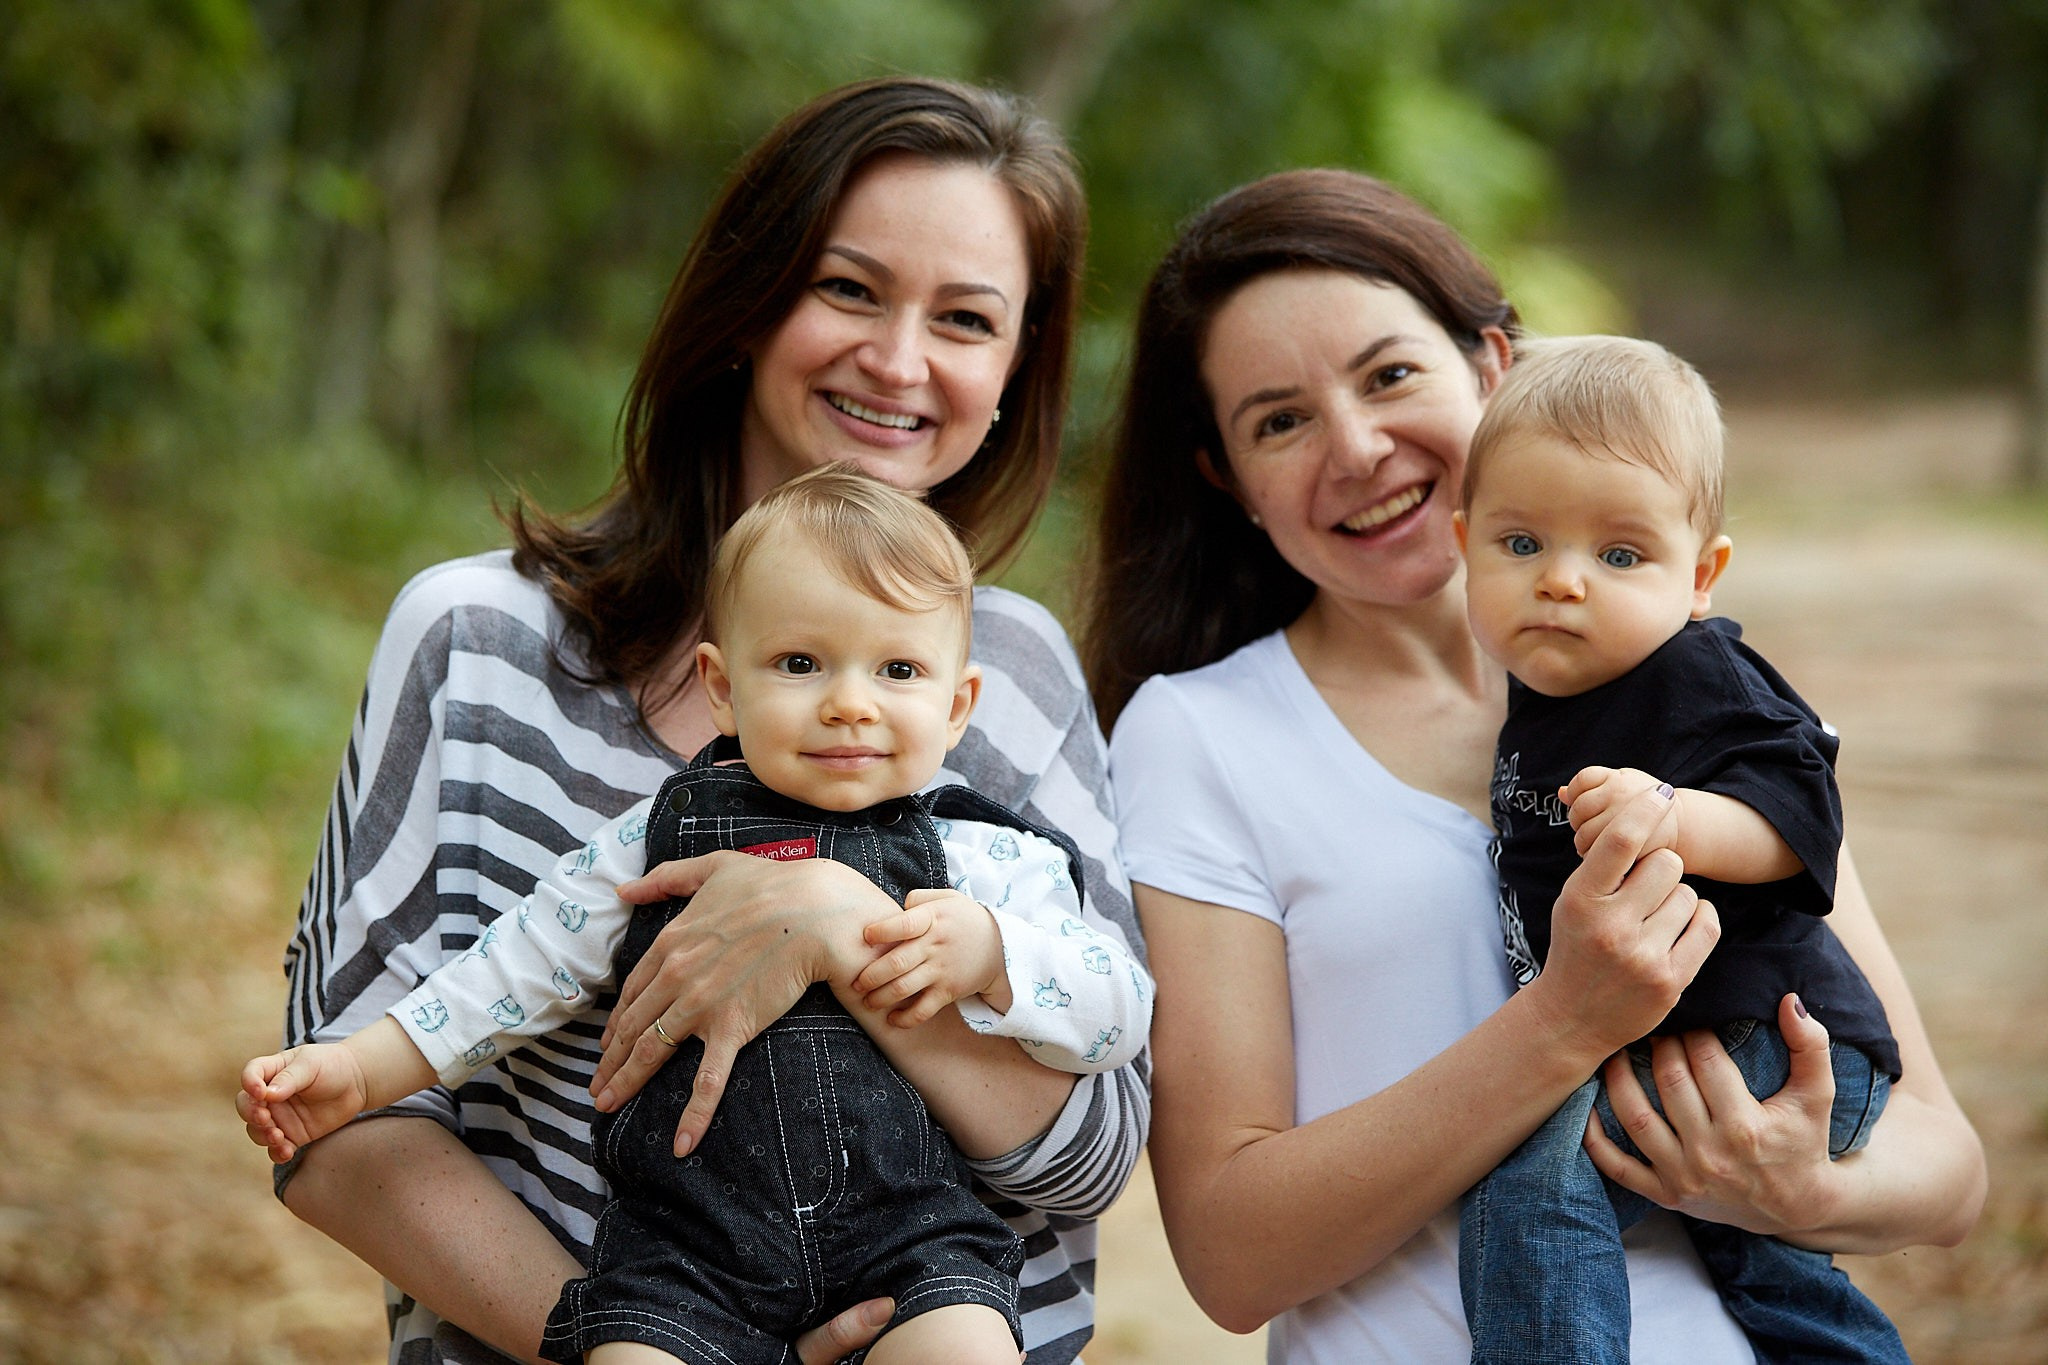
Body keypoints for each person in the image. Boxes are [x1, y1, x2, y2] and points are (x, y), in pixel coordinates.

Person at [250, 77, 1148, 1365]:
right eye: (847, 289)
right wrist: (630, 1340)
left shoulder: (1011, 672)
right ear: (746, 300)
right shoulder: (476, 643)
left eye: (965, 320)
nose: (899, 360)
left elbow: (1097, 1153)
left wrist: (841, 930)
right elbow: (333, 1117)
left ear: (1012, 371)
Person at [1085, 168, 1985, 1363]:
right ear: (1228, 481)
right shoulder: (1199, 735)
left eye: (1389, 374)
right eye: (1278, 420)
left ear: (1491, 371)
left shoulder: (1675, 673)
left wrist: (1800, 1194)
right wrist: (1561, 1023)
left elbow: (1946, 1171)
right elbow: (1230, 1257)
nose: (1355, 447)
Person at [243, 467, 1152, 1365]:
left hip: (909, 1236)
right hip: (687, 1253)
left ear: (957, 707)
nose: (849, 701)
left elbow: (1119, 1009)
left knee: (967, 1351)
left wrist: (998, 955)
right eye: (800, 663)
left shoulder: (988, 858)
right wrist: (360, 1070)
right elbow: (508, 973)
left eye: (899, 669)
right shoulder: (659, 838)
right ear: (722, 685)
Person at [1450, 334, 1905, 1363]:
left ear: (1699, 575)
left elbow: (1803, 817)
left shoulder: (1695, 672)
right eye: (1519, 545)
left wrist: (1674, 814)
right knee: (1774, 1278)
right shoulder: (1546, 688)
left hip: (1769, 1038)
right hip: (1690, 1045)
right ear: (1461, 541)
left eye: (1618, 556)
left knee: (1533, 1185)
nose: (1562, 583)